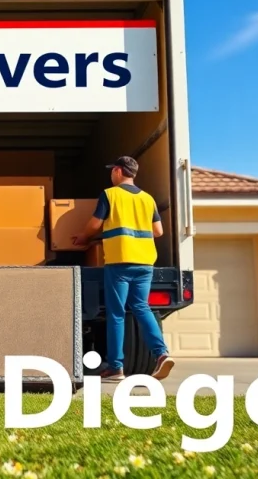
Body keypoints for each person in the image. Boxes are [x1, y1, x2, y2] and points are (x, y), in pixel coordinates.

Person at [72, 156, 174, 382]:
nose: (111, 174)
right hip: (145, 261)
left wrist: (84, 237)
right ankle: (161, 353)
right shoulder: (148, 199)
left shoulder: (110, 194)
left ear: (118, 171)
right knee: (141, 307)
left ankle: (116, 367)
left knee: (116, 314)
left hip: (120, 260)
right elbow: (158, 231)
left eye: (112, 171)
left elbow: (95, 223)